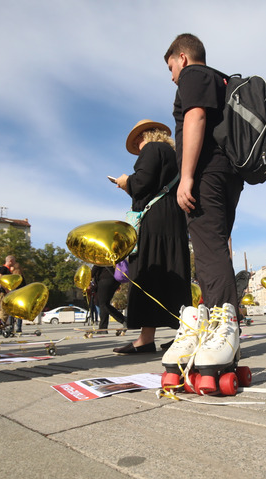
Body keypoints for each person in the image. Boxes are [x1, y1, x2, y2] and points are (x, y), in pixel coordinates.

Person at [161, 33, 244, 392]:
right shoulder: (222, 81)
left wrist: (188, 176)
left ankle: (224, 341)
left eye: (170, 67)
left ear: (182, 56)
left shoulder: (195, 74)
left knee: (208, 251)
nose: (172, 76)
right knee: (217, 247)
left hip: (206, 172)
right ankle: (215, 331)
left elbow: (194, 117)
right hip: (229, 174)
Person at [110, 119, 192, 356]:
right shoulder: (173, 155)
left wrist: (126, 183)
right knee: (173, 272)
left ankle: (145, 339)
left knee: (149, 271)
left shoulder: (152, 149)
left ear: (147, 136)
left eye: (138, 140)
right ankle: (183, 334)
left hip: (154, 221)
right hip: (173, 219)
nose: (138, 145)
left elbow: (142, 182)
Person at [92, 265, 125, 333]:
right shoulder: (112, 255)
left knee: (103, 304)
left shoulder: (102, 255)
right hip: (115, 279)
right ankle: (103, 328)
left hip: (105, 279)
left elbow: (97, 265)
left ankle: (124, 320)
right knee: (104, 304)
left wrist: (88, 276)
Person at [0, 255, 15, 325]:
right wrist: (5, 289)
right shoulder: (4, 269)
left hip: (3, 291)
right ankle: (1, 323)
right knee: (4, 308)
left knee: (5, 308)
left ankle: (2, 323)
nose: (15, 262)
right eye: (14, 261)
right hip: (2, 292)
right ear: (10, 261)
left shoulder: (7, 269)